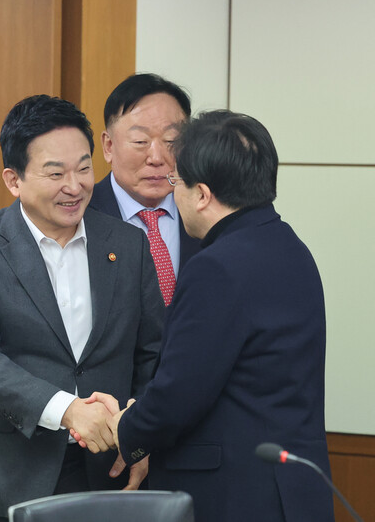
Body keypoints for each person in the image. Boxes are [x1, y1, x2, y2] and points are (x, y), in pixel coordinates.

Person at [97, 110, 334, 521]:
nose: (174, 194)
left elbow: (180, 394)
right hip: (290, 492)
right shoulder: (291, 247)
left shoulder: (217, 266)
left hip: (237, 497)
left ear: (202, 194)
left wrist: (123, 428)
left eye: (176, 183)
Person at [0, 95, 163, 521]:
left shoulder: (127, 244)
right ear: (13, 179)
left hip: (105, 473)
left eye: (83, 168)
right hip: (2, 479)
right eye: (55, 173)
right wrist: (67, 409)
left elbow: (152, 353)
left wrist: (141, 431)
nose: (74, 186)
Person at [89, 73, 201, 305]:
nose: (157, 158)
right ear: (108, 146)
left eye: (171, 141)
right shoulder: (82, 215)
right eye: (140, 142)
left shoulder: (208, 211)